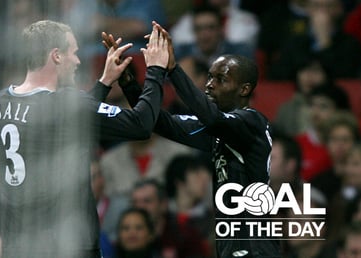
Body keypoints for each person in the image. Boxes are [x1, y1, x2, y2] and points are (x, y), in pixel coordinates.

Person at [0, 20, 169, 257]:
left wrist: (104, 83)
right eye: (73, 53)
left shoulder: (1, 101)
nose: (78, 61)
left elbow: (67, 123)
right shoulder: (67, 102)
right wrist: (155, 70)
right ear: (56, 56)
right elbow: (141, 126)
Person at [102, 22, 280, 257]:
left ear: (244, 89)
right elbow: (159, 123)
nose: (209, 85)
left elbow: (213, 119)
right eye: (209, 77)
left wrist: (173, 69)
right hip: (231, 247)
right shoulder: (217, 129)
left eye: (221, 79)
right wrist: (127, 82)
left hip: (257, 249)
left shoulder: (253, 123)